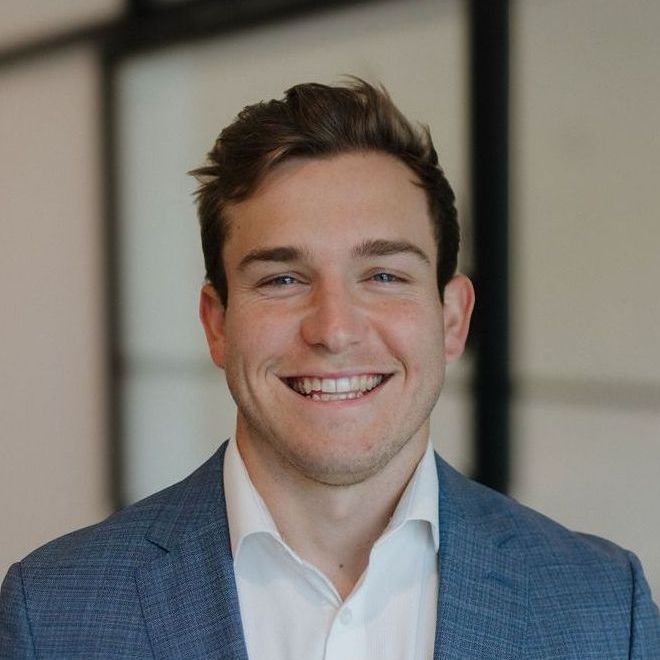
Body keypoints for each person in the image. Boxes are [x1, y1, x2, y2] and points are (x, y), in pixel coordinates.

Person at [1, 79, 658, 659]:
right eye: (283, 278)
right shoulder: (52, 613)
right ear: (216, 323)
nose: (335, 330)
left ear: (453, 319)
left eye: (383, 275)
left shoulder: (605, 606)